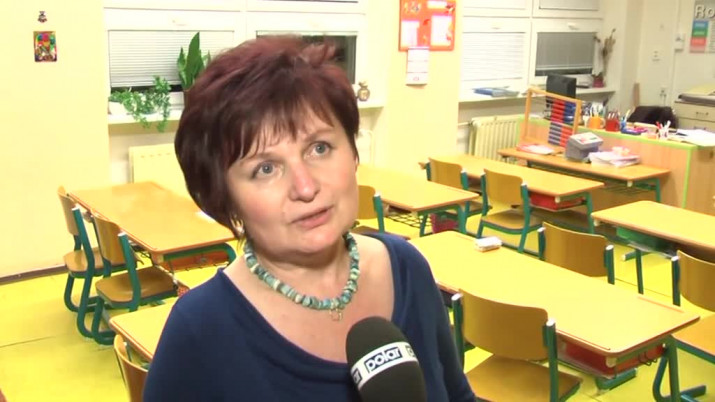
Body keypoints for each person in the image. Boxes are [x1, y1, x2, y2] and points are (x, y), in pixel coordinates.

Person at [143, 36, 475, 402]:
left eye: (319, 148)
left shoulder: (408, 267)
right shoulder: (199, 330)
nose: (305, 187)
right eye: (265, 168)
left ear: (353, 153)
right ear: (226, 199)